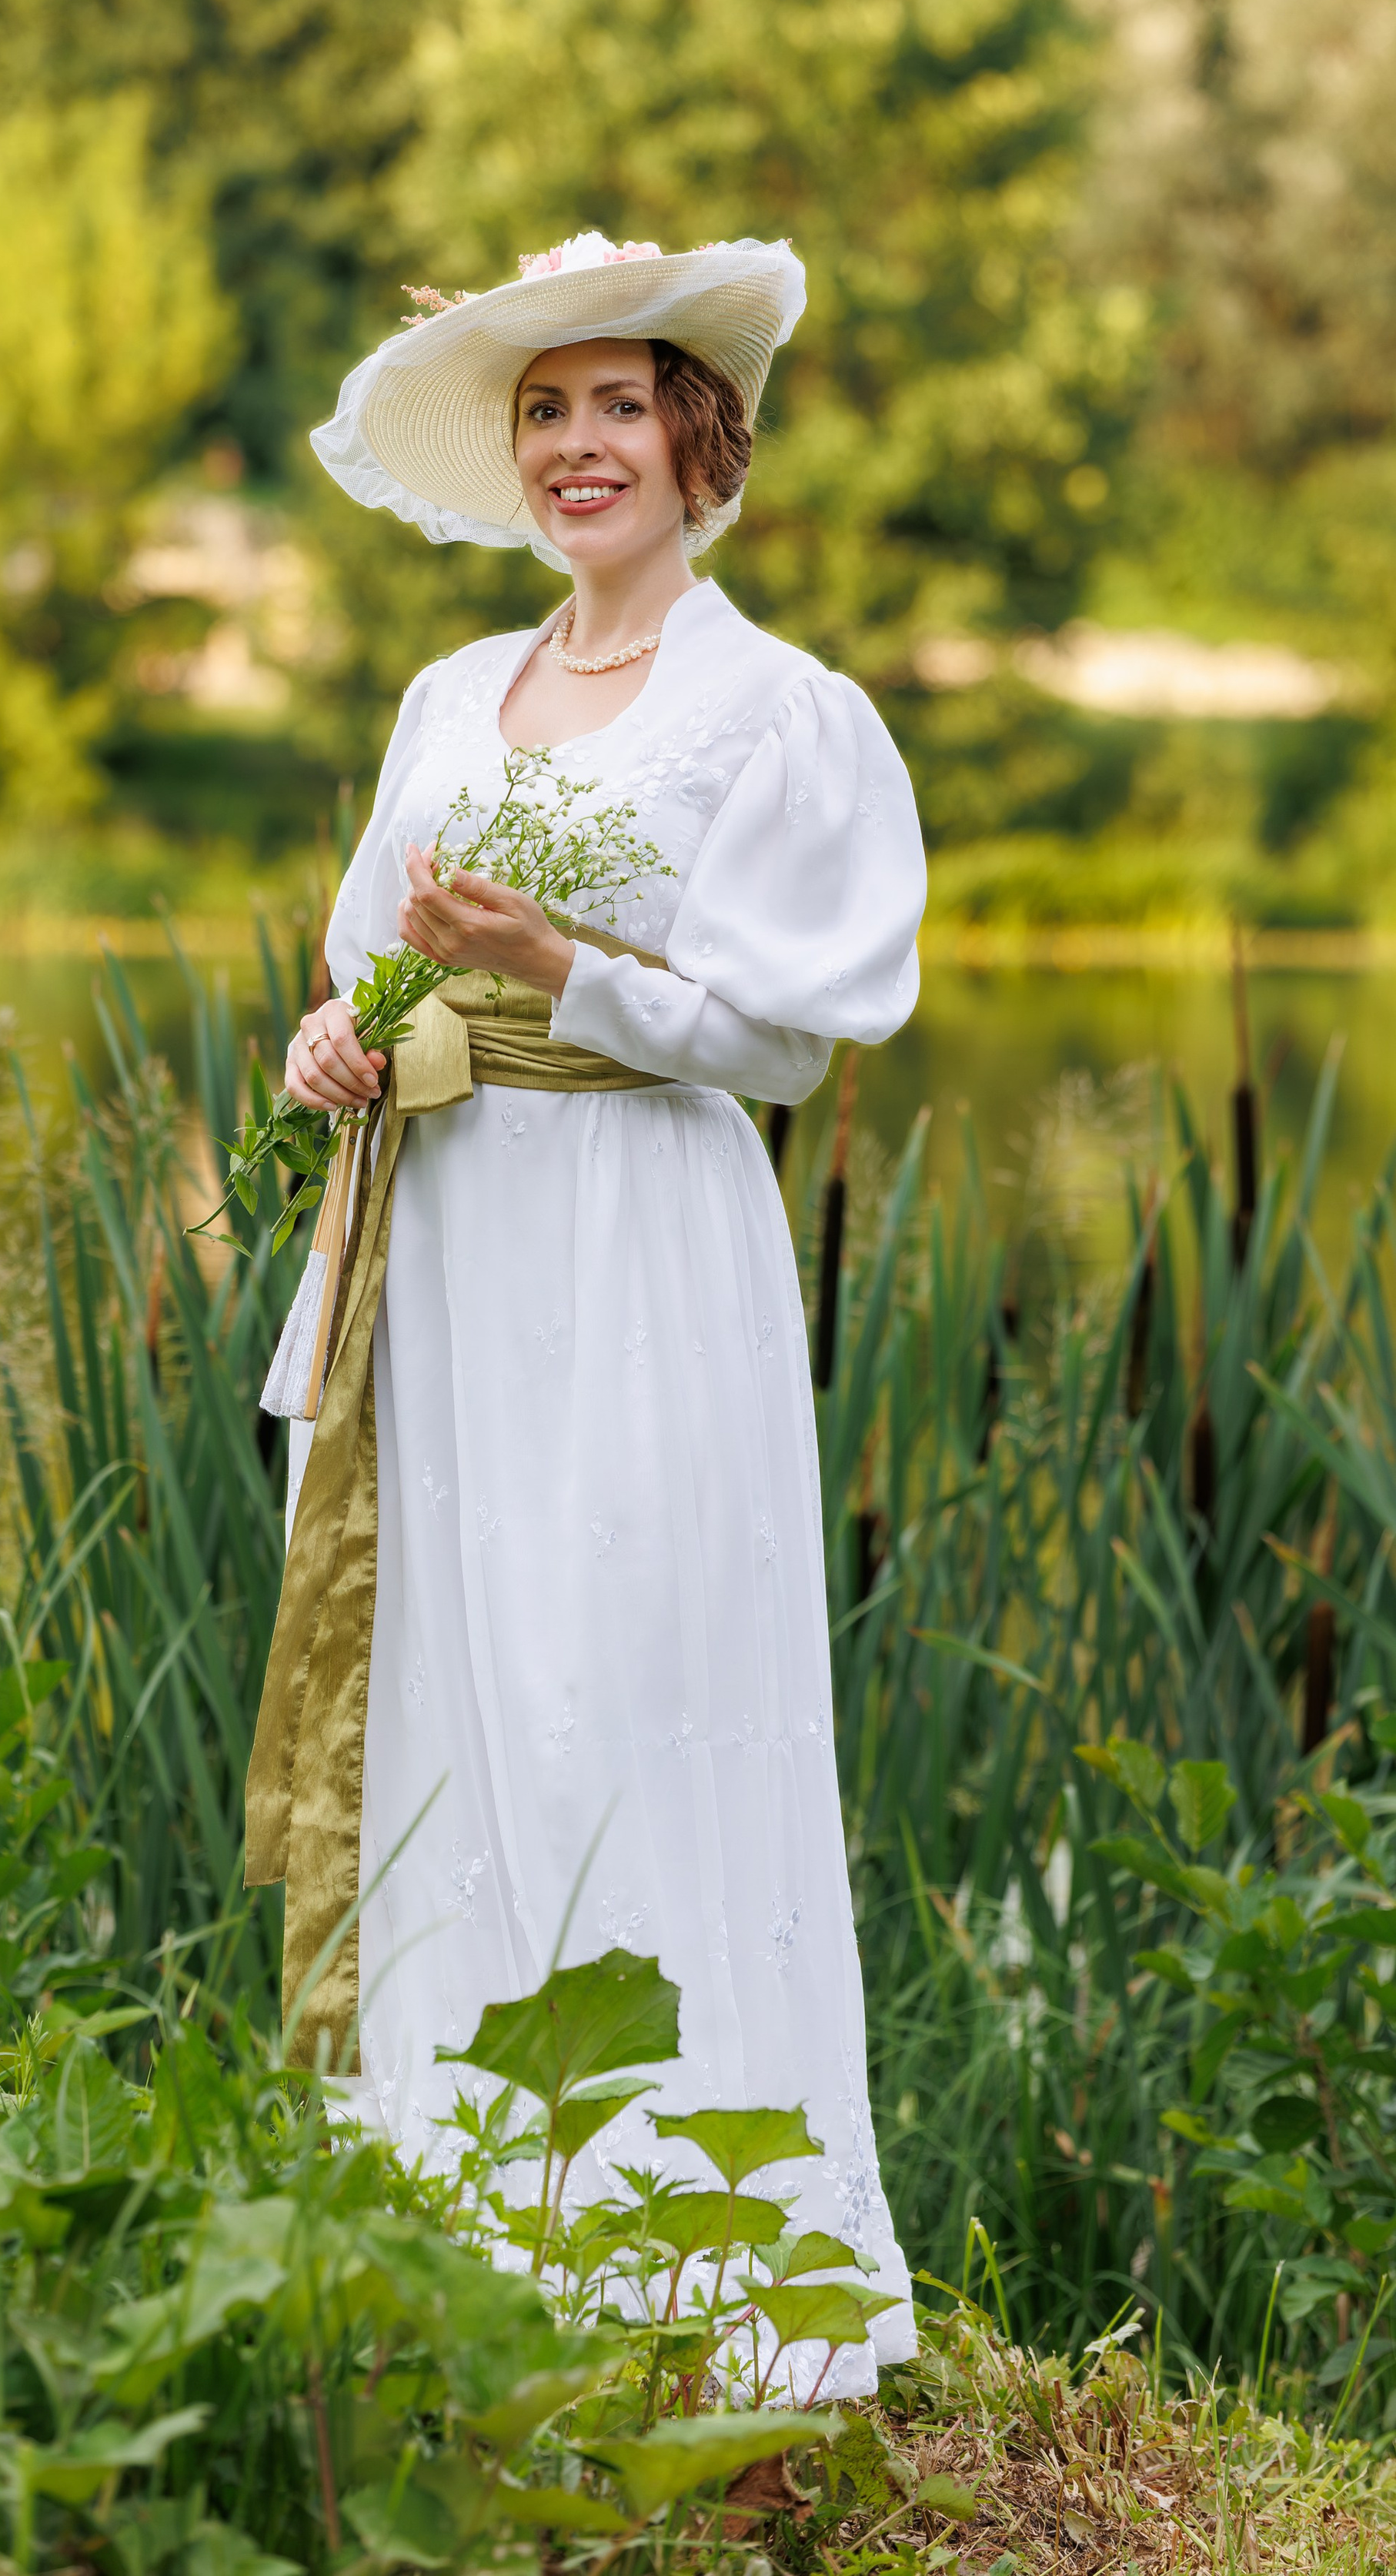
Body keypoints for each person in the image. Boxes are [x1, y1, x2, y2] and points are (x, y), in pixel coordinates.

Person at [248, 232, 925, 2398]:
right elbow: (359, 965)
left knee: (628, 1677)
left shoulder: (777, 713)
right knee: (457, 1676)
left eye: (615, 405)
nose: (576, 446)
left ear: (695, 437)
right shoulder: (452, 697)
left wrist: (561, 974)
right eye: (543, 412)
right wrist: (332, 1047)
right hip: (447, 1241)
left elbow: (795, 1046)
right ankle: (464, 2229)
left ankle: (697, 2266)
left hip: (638, 1247)